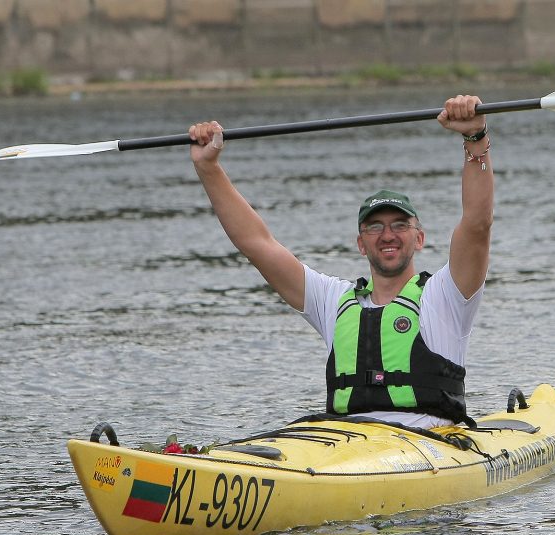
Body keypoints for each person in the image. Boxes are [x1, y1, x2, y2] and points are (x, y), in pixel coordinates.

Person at [189, 95, 492, 429]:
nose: (387, 235)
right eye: (375, 227)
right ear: (361, 244)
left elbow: (477, 225)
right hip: (344, 445)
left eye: (400, 225)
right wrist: (209, 168)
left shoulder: (445, 297)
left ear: (419, 238)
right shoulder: (333, 301)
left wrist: (474, 140)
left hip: (430, 446)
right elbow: (257, 245)